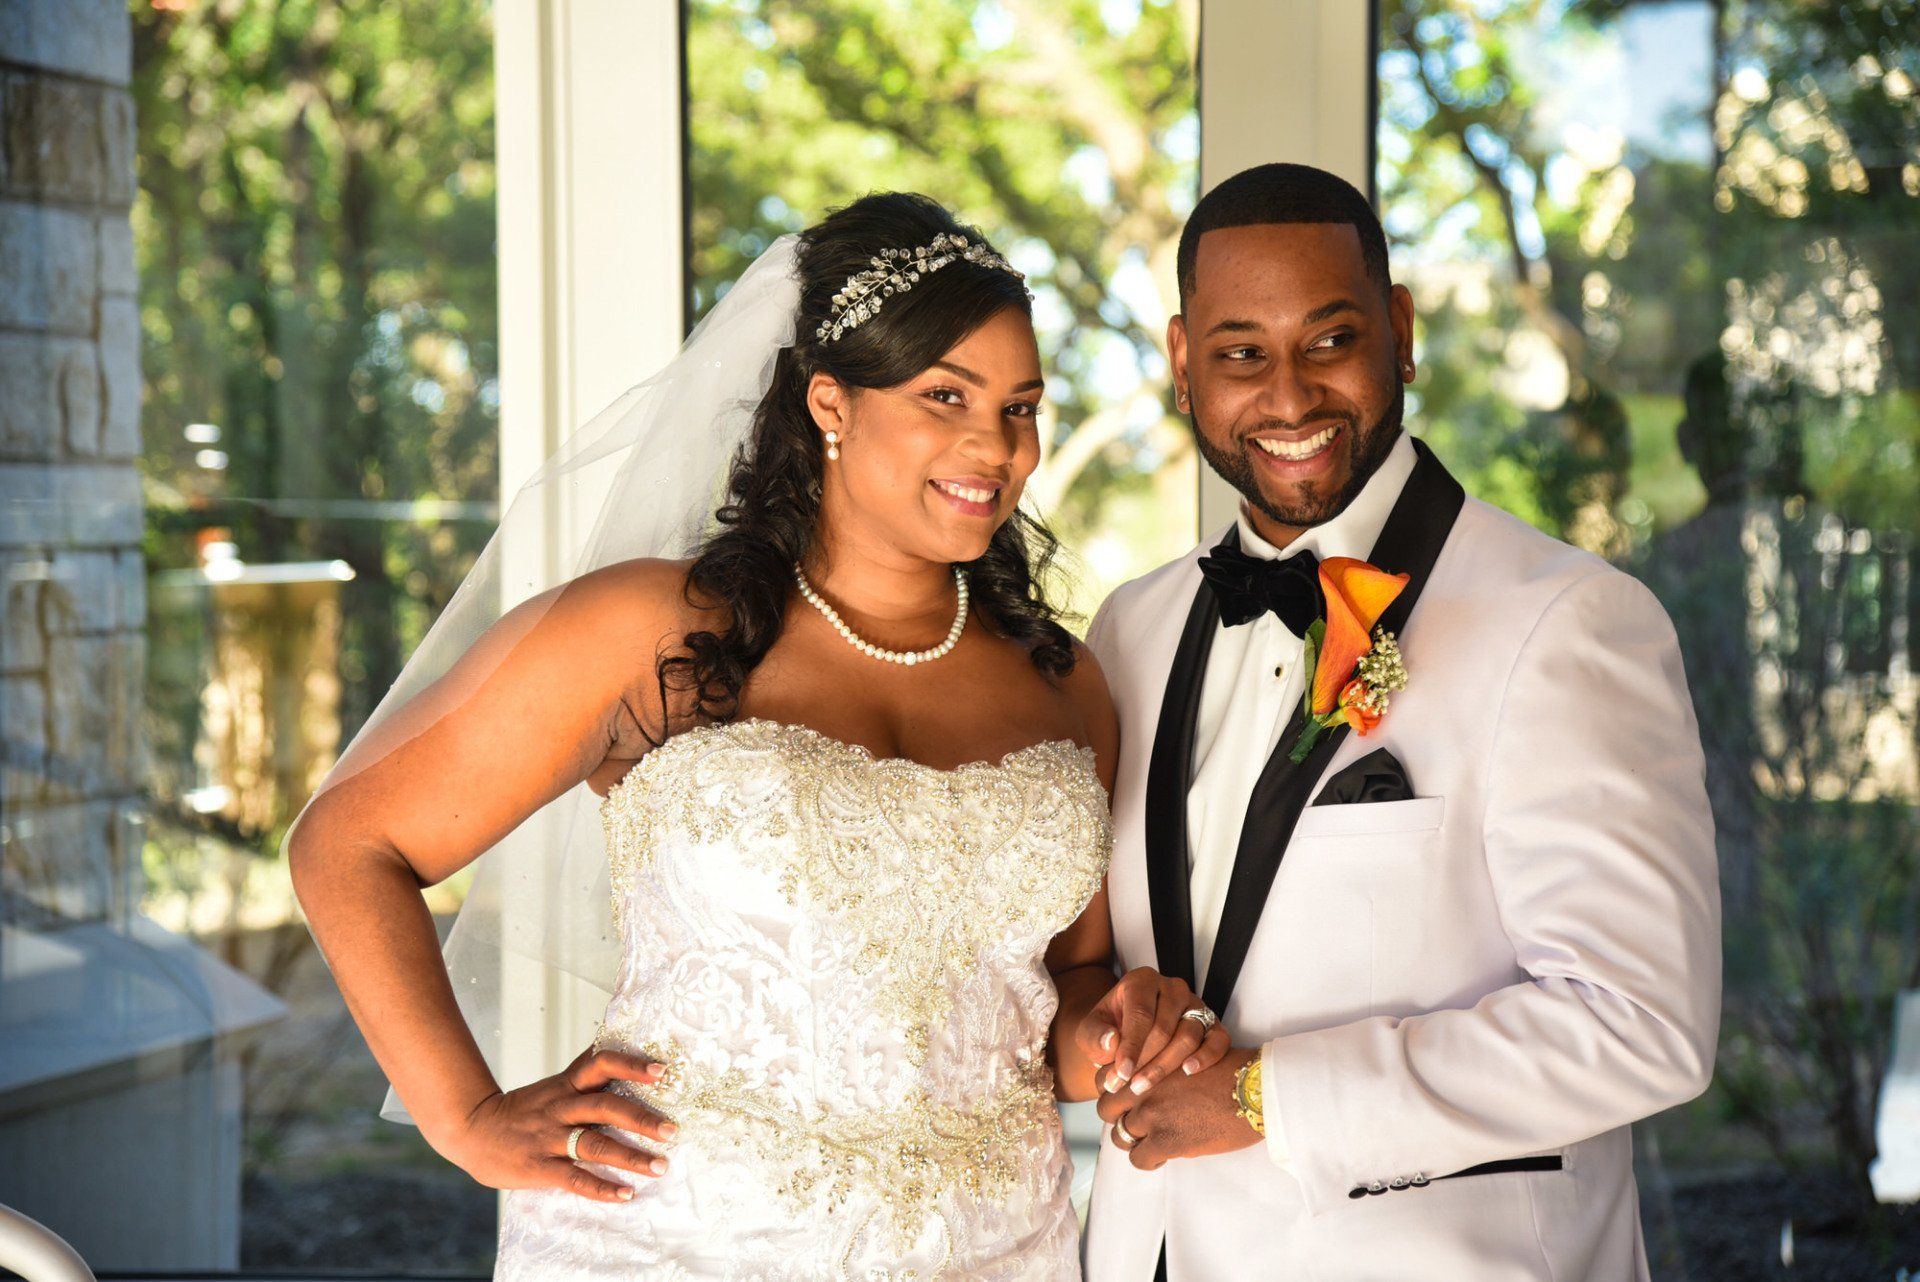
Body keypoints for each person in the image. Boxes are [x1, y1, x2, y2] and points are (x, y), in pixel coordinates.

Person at [286, 192, 1225, 1279]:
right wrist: (466, 1117)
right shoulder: (650, 628)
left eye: (1021, 406)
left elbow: (1058, 995)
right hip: (681, 1241)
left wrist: (1122, 1032)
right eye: (946, 396)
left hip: (996, 1249)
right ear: (830, 401)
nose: (997, 446)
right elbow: (348, 843)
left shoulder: (1065, 684)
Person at [1076, 163, 1723, 1281]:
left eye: (1330, 341)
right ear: (1184, 363)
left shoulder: (1566, 622)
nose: (1288, 397)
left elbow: (1640, 1022)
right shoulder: (1128, 632)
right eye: (1240, 353)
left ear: (1401, 331)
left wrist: (1264, 1095)